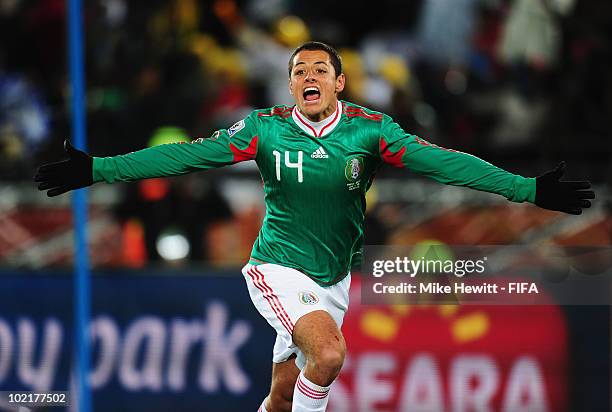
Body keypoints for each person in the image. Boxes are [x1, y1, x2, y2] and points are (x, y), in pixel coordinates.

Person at [35, 41, 594, 412]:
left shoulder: (371, 132)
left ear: (339, 82)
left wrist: (529, 189)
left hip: (333, 279)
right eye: (297, 70)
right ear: (290, 85)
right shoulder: (265, 130)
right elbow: (182, 157)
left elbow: (449, 163)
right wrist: (97, 169)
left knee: (281, 398)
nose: (307, 76)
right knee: (328, 356)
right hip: (276, 267)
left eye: (318, 70)